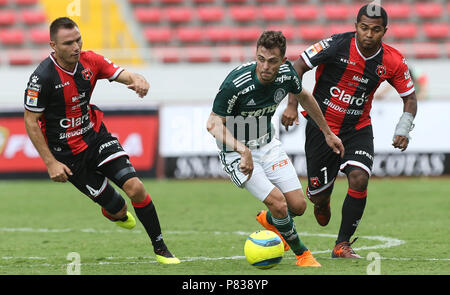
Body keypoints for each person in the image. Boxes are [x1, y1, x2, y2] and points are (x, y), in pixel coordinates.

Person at [23, 17, 180, 264]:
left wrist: (136, 78)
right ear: (53, 45)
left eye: (78, 40)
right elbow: (31, 121)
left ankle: (160, 248)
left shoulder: (91, 60)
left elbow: (120, 73)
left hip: (95, 137)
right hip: (67, 155)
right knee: (118, 208)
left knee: (135, 187)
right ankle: (114, 213)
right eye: (68, 43)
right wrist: (50, 163)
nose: (76, 47)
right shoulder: (41, 78)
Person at [281, 4, 418, 258]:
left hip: (357, 128)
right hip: (321, 127)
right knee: (318, 201)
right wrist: (291, 105)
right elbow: (298, 66)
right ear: (356, 27)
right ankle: (322, 199)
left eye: (375, 30)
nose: (369, 34)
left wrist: (404, 128)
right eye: (364, 28)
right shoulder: (335, 45)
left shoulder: (393, 60)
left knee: (359, 178)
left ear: (384, 32)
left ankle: (342, 244)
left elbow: (409, 98)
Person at [206, 31, 344, 267]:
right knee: (279, 203)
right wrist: (242, 151)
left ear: (282, 61)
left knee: (298, 206)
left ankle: (272, 222)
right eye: (261, 59)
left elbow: (305, 97)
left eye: (272, 61)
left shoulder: (287, 74)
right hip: (236, 153)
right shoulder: (236, 83)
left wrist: (327, 132)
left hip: (268, 145)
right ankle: (302, 253)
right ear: (256, 55)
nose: (265, 66)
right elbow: (213, 123)